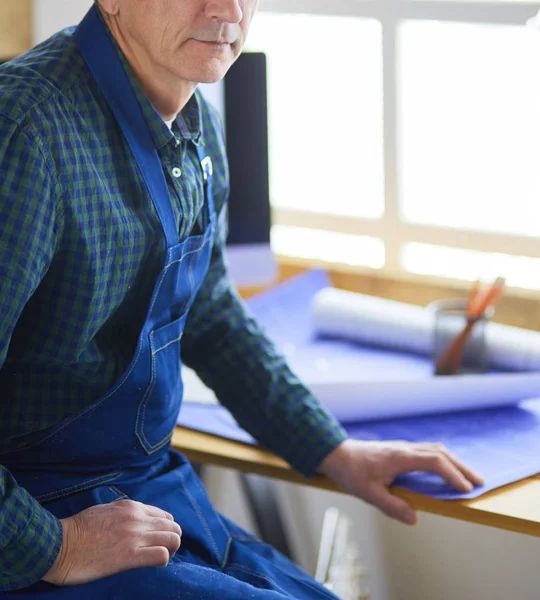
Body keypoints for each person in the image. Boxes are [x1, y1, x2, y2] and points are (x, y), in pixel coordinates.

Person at [0, 0, 483, 597]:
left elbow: (212, 318)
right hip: (36, 519)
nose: (228, 9)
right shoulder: (24, 131)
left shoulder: (194, 124)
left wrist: (333, 449)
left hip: (148, 489)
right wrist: (57, 546)